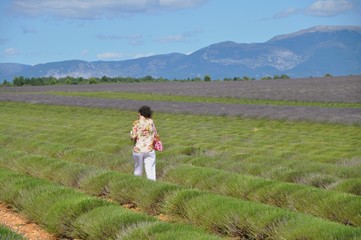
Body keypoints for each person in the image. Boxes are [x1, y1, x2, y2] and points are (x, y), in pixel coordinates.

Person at [130, 105, 157, 181]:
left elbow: (134, 136)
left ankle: (137, 184)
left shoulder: (136, 123)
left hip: (138, 149)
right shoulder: (151, 122)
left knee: (138, 170)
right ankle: (152, 186)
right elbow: (155, 134)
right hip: (149, 149)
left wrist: (131, 136)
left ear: (139, 113)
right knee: (151, 171)